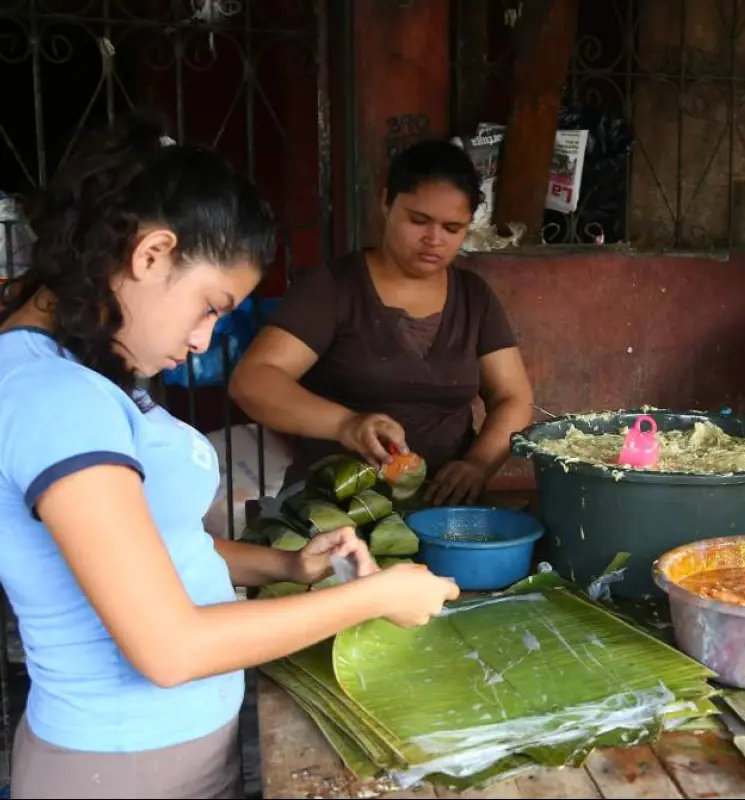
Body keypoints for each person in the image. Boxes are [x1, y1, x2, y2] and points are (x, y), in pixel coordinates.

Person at [0, 113, 459, 799]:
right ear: (152, 253)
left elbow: (151, 548)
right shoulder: (54, 397)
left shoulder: (79, 374)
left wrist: (287, 566)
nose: (203, 340)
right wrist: (375, 596)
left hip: (162, 756)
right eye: (209, 307)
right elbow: (169, 646)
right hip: (121, 768)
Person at [229, 139, 534, 507]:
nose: (433, 240)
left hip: (446, 513)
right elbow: (253, 379)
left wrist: (478, 464)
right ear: (387, 202)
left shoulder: (473, 297)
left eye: (452, 228)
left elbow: (512, 396)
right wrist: (346, 425)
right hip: (339, 509)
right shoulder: (333, 289)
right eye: (418, 220)